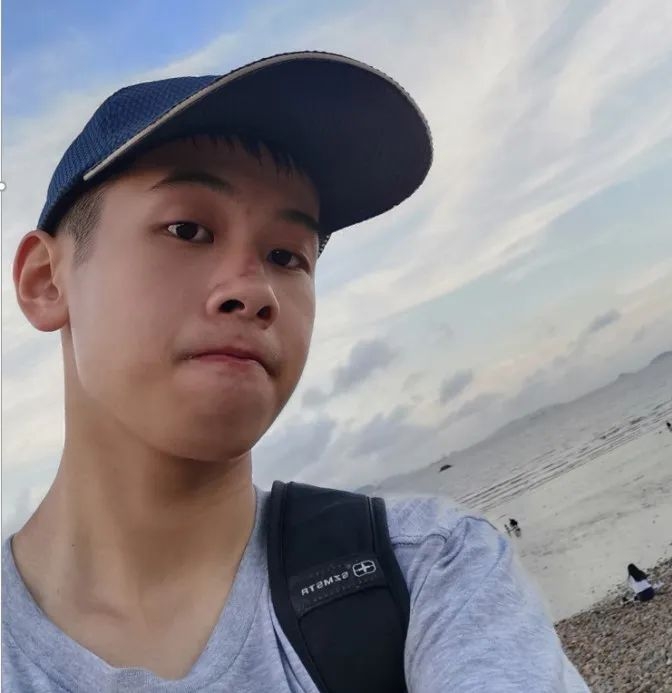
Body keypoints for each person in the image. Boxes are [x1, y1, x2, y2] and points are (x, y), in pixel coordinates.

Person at [2, 52, 589, 692]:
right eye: (188, 229)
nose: (255, 291)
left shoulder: (433, 570)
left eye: (286, 256)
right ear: (46, 280)